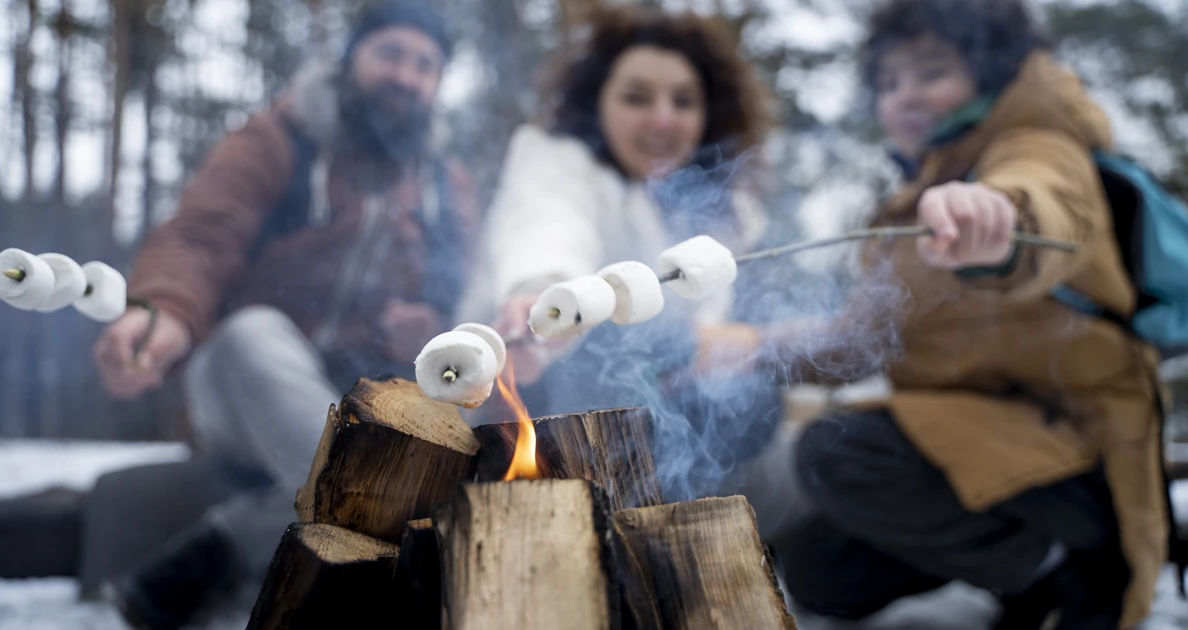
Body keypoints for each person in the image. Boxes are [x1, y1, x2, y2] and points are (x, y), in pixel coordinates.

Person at [740, 1, 1167, 628]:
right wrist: (747, 348)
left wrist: (999, 219)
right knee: (819, 571)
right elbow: (860, 343)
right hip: (981, 453)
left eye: (932, 72)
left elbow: (1043, 200)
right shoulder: (911, 202)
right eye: (889, 82)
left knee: (838, 449)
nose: (906, 95)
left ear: (988, 69)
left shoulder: (1036, 144)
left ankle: (1064, 573)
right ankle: (1023, 567)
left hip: (1078, 458)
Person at [89, 3, 479, 628]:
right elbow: (200, 237)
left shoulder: (443, 185)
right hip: (248, 391)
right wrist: (165, 311)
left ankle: (224, 547)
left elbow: (464, 302)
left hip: (364, 400)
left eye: (424, 65)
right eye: (390, 54)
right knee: (253, 334)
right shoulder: (278, 140)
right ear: (350, 57)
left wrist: (431, 329)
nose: (406, 75)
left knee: (463, 419)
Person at [459, 6, 779, 500]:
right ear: (598, 103)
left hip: (649, 413)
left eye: (684, 101)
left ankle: (649, 519)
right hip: (532, 392)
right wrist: (540, 292)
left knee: (750, 398)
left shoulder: (715, 215)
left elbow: (699, 337)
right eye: (636, 97)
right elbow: (546, 222)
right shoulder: (557, 159)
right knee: (605, 347)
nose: (663, 119)